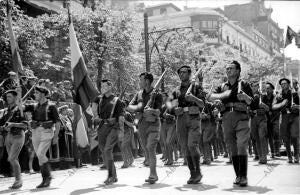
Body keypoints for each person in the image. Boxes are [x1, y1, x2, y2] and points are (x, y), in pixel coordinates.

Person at [207, 60, 253, 187]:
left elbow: (253, 102)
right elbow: (211, 98)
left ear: (238, 71)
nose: (228, 70)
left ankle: (244, 176)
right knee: (232, 148)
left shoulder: (244, 84)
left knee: (241, 145)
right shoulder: (222, 87)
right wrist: (216, 105)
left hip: (241, 117)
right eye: (227, 68)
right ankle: (238, 175)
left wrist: (246, 98)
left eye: (231, 68)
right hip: (226, 118)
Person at [170, 65, 205, 184]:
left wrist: (193, 98)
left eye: (184, 72)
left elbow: (202, 104)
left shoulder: (196, 87)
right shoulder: (176, 90)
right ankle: (192, 173)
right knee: (185, 147)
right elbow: (170, 106)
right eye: (180, 72)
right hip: (180, 119)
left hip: (193, 118)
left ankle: (198, 171)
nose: (182, 74)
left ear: (189, 74)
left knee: (192, 145)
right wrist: (174, 110)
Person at [127, 72, 163, 184]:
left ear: (147, 81)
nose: (139, 82)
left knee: (150, 147)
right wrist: (138, 108)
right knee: (146, 149)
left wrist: (151, 111)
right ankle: (152, 171)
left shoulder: (157, 94)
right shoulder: (138, 94)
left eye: (141, 80)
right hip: (142, 125)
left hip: (153, 124)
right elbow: (129, 106)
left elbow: (159, 112)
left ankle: (153, 174)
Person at [24, 86, 61, 188]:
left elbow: (57, 122)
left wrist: (56, 136)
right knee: (40, 157)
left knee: (40, 153)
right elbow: (21, 107)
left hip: (47, 131)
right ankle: (45, 179)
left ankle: (48, 176)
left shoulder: (51, 106)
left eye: (36, 93)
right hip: (35, 131)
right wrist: (18, 96)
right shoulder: (34, 106)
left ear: (43, 94)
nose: (34, 94)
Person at [92, 79, 125, 185]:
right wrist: (96, 117)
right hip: (102, 127)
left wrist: (121, 131)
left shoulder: (117, 100)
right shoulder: (99, 99)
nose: (102, 88)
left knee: (107, 150)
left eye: (105, 86)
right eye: (101, 86)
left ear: (110, 87)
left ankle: (110, 176)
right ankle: (114, 175)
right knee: (104, 150)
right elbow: (93, 108)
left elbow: (121, 117)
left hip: (113, 127)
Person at [0, 89, 27, 189]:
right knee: (13, 159)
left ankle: (19, 180)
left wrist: (13, 124)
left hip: (18, 135)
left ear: (16, 98)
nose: (8, 98)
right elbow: (2, 124)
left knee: (11, 158)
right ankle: (17, 180)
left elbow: (25, 125)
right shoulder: (6, 111)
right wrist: (3, 127)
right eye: (7, 97)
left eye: (10, 96)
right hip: (8, 136)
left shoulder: (20, 109)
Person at [272, 78, 293, 163]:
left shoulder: (294, 93)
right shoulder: (278, 95)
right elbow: (273, 106)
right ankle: (289, 157)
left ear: (288, 84)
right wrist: (281, 103)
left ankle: (296, 155)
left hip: (294, 116)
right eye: (282, 84)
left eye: (285, 83)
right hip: (284, 116)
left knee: (295, 136)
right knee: (286, 137)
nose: (283, 85)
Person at [250, 81, 269, 164]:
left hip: (262, 118)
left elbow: (268, 108)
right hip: (253, 119)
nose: (254, 88)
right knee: (256, 137)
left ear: (258, 87)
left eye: (256, 86)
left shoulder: (263, 96)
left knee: (262, 136)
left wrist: (264, 105)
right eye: (253, 86)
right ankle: (260, 155)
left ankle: (264, 156)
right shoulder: (249, 97)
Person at [263, 82, 278, 158]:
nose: (267, 90)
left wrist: (272, 111)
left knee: (274, 135)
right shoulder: (264, 97)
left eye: (268, 88)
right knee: (267, 136)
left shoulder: (275, 97)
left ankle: (275, 151)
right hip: (266, 119)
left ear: (272, 89)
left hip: (274, 119)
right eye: (266, 88)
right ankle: (269, 152)